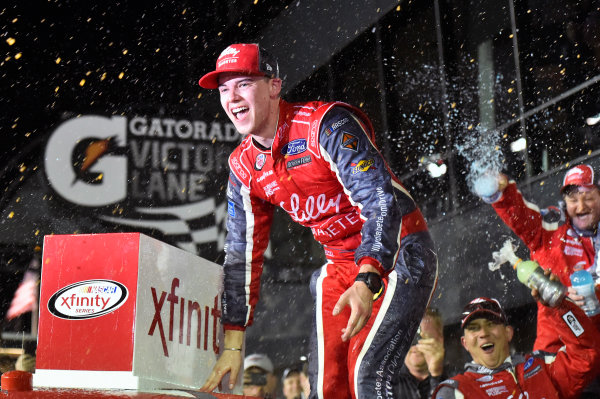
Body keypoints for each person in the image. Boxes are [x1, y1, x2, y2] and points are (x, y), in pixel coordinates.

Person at [197, 43, 438, 399]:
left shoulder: (326, 124)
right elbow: (241, 257)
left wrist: (368, 278)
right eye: (223, 88)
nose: (232, 97)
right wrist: (233, 344)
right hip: (340, 265)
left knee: (367, 378)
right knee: (326, 388)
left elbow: (379, 201)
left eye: (244, 84)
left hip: (400, 249)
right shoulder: (243, 166)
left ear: (274, 86)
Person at [477, 164, 600, 352]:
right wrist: (501, 194)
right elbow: (522, 217)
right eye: (573, 199)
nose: (581, 206)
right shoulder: (550, 226)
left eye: (589, 198)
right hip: (557, 350)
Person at [432, 295, 600, 399]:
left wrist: (559, 306)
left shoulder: (542, 365)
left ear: (508, 333)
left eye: (491, 324)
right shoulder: (455, 391)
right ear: (465, 343)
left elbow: (587, 354)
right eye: (474, 328)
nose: (483, 333)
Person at [394, 307, 447, 398]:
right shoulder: (387, 381)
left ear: (440, 339)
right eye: (410, 338)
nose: (415, 346)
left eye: (423, 338)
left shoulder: (456, 379)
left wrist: (436, 374)